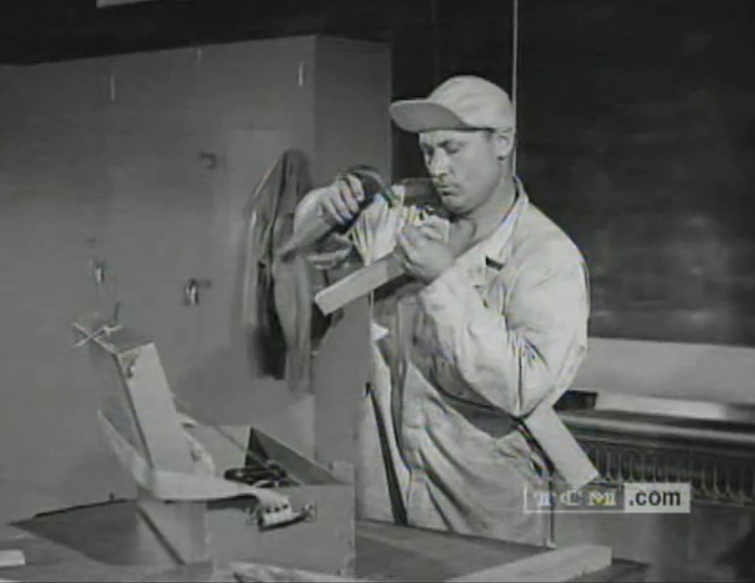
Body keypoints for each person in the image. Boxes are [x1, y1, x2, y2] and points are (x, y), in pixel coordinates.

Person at [294, 75, 590, 545]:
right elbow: (306, 239)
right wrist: (331, 203)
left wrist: (445, 280)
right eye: (428, 151)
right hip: (386, 481)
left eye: (452, 149)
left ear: (502, 143)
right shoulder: (409, 213)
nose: (437, 168)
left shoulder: (545, 257)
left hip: (482, 500)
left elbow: (523, 387)